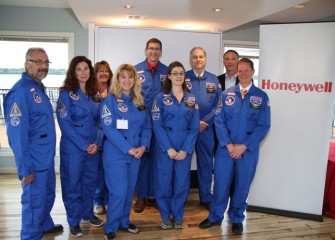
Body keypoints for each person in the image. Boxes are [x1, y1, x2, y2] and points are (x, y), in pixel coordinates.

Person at [199, 58, 271, 235]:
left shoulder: (262, 96)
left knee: (242, 185)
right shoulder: (227, 94)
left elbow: (264, 126)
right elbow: (219, 120)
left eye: (247, 70)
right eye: (240, 70)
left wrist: (244, 146)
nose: (243, 74)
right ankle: (215, 216)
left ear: (253, 71)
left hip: (247, 151)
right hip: (226, 150)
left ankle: (237, 217)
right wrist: (229, 145)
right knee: (221, 184)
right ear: (237, 72)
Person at [3, 47, 63, 240]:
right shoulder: (20, 92)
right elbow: (17, 136)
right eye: (38, 62)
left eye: (46, 62)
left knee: (47, 197)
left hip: (45, 159)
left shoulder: (37, 88)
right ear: (27, 64)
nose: (43, 66)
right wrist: (24, 168)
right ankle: (30, 235)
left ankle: (44, 224)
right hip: (34, 162)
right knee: (33, 203)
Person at [101, 64, 151, 240]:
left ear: (135, 80)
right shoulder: (110, 100)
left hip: (136, 153)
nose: (127, 80)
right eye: (123, 77)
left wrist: (143, 147)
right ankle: (111, 226)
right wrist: (128, 149)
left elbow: (146, 126)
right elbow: (109, 129)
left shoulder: (139, 100)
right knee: (118, 192)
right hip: (116, 154)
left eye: (130, 77)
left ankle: (124, 221)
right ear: (117, 79)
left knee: (129, 191)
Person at [56, 56, 104, 237]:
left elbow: (102, 121)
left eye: (86, 68)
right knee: (73, 184)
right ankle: (73, 221)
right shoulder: (66, 94)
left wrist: (96, 143)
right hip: (74, 147)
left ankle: (87, 214)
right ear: (73, 72)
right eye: (79, 69)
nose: (83, 72)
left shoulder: (95, 93)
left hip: (93, 146)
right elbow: (65, 124)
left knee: (90, 182)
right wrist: (84, 145)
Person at [152, 61, 199, 230]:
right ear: (169, 76)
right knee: (164, 183)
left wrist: (186, 150)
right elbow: (157, 125)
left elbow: (194, 127)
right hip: (165, 147)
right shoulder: (160, 98)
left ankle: (178, 216)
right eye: (175, 73)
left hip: (184, 148)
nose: (179, 76)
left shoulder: (191, 99)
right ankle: (165, 216)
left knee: (181, 183)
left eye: (181, 73)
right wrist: (168, 148)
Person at [185, 47, 222, 210]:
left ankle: (206, 197)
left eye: (201, 57)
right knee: (182, 163)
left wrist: (204, 122)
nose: (198, 59)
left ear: (205, 59)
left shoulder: (214, 80)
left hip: (206, 129)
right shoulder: (183, 78)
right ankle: (180, 196)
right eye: (195, 57)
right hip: (186, 130)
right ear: (190, 60)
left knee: (206, 164)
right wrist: (194, 123)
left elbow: (219, 106)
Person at [134, 38, 168, 213]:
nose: (154, 52)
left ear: (161, 51)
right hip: (141, 123)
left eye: (157, 49)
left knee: (158, 160)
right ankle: (141, 196)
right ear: (146, 50)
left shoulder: (167, 71)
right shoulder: (135, 70)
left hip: (161, 123)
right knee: (142, 159)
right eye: (151, 49)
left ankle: (154, 195)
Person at [93, 60, 113, 215]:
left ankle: (109, 200)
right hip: (95, 138)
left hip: (111, 138)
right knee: (97, 172)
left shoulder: (114, 92)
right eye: (100, 70)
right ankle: (98, 201)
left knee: (110, 171)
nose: (104, 73)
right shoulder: (89, 92)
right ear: (95, 74)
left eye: (106, 70)